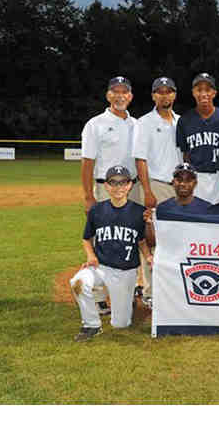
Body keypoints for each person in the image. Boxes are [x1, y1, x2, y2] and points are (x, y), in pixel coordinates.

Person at [69, 166, 152, 342]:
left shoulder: (138, 212)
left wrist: (149, 257)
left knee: (120, 324)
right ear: (106, 186)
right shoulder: (97, 210)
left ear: (130, 185)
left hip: (125, 272)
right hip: (101, 267)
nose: (118, 187)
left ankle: (127, 299)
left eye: (123, 182)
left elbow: (142, 241)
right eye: (113, 182)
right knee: (77, 282)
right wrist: (91, 256)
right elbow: (86, 239)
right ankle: (91, 325)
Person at [80, 76, 140, 315]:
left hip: (133, 187)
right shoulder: (95, 124)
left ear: (131, 96)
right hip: (106, 188)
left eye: (124, 92)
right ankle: (99, 295)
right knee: (101, 237)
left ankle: (134, 287)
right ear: (108, 95)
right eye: (115, 92)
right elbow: (87, 163)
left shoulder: (137, 125)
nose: (120, 96)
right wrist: (87, 195)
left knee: (132, 236)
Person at [132, 76, 182, 307]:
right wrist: (147, 190)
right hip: (156, 184)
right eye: (159, 92)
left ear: (174, 95)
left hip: (179, 187)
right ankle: (150, 292)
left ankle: (172, 287)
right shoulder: (145, 122)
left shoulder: (180, 121)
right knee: (152, 240)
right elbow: (140, 159)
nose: (164, 96)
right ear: (153, 96)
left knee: (174, 240)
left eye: (168, 92)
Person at [176, 73, 219, 204]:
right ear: (193, 92)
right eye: (199, 90)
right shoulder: (184, 120)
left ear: (214, 93)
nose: (204, 94)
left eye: (208, 90)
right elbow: (185, 153)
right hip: (197, 177)